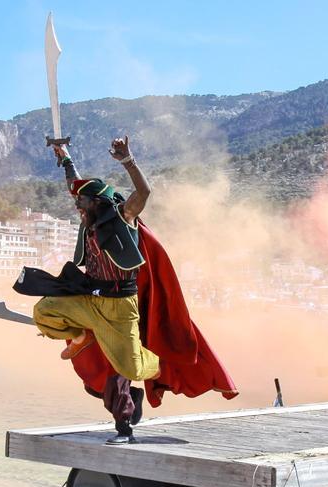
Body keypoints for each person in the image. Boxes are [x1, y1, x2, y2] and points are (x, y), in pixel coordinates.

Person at [13, 137, 237, 443]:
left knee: (125, 368)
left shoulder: (122, 217)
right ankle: (81, 336)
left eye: (82, 203)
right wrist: (65, 157)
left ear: (97, 203)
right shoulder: (88, 219)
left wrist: (128, 160)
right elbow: (73, 184)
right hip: (91, 300)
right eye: (78, 202)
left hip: (121, 309)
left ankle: (141, 403)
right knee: (44, 311)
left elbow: (144, 192)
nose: (77, 207)